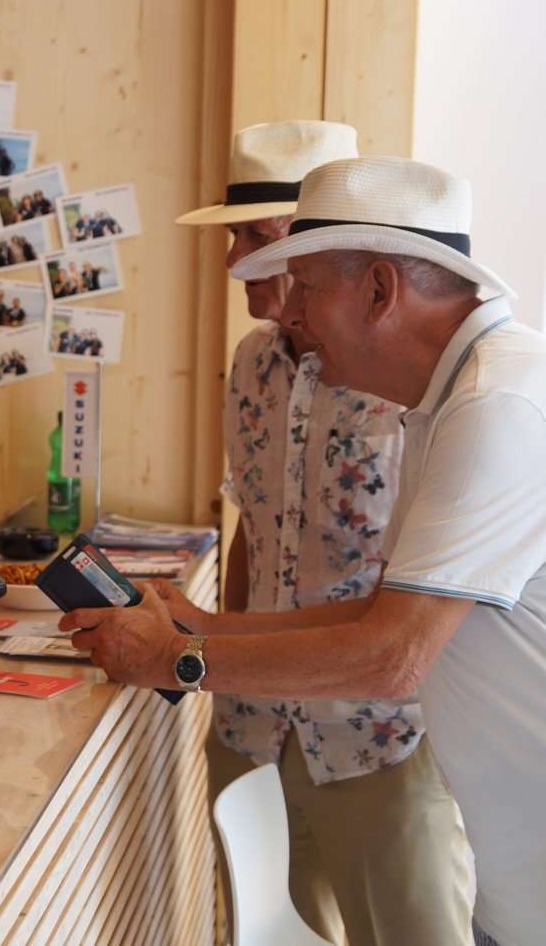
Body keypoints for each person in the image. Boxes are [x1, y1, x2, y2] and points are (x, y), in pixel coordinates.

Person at [71, 156, 535, 946]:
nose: (297, 317)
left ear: (380, 291)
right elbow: (389, 611)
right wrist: (203, 627)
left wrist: (176, 659)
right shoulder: (450, 398)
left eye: (310, 287)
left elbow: (394, 658)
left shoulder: (497, 405)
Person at [172, 124, 472, 946]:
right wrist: (219, 671)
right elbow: (252, 527)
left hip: (378, 741)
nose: (237, 261)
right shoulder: (250, 366)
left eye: (259, 240)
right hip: (253, 731)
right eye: (234, 236)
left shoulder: (415, 386)